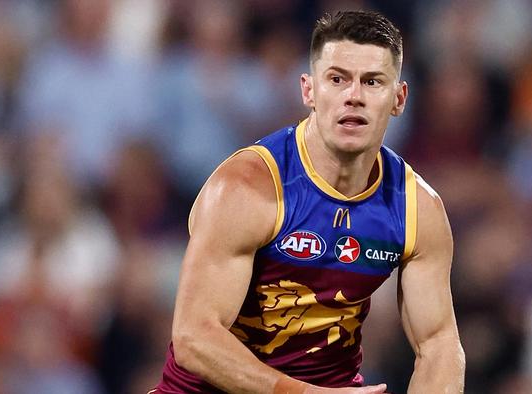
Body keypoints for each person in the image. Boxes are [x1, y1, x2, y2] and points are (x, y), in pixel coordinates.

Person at [152, 10, 465, 393]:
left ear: (398, 98)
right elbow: (194, 339)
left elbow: (438, 344)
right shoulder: (247, 188)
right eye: (337, 79)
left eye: (372, 82)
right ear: (309, 90)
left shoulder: (417, 208)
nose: (354, 97)